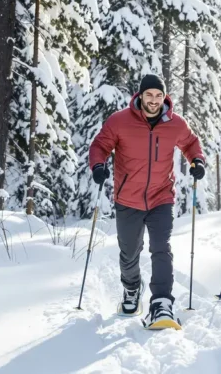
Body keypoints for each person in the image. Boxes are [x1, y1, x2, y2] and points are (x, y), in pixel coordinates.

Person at [88, 73, 206, 328]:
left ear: (165, 97)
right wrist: (98, 165)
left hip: (161, 197)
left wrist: (197, 161)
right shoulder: (119, 121)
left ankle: (161, 303)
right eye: (149, 95)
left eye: (158, 95)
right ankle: (132, 287)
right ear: (140, 95)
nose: (154, 100)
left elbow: (191, 144)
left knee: (161, 247)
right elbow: (100, 145)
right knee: (129, 252)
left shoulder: (176, 123)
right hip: (127, 199)